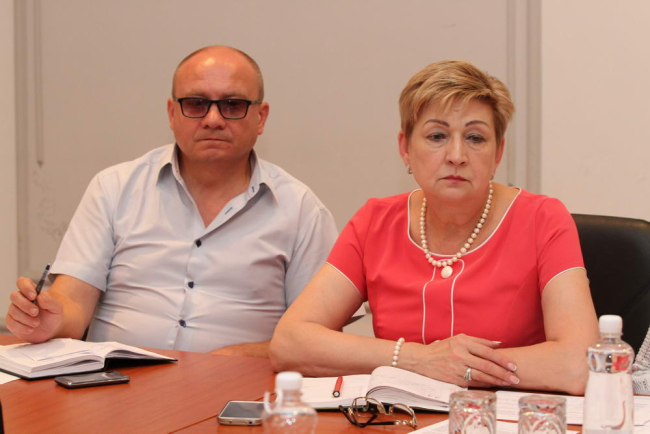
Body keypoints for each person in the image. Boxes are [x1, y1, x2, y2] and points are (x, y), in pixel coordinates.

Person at [270, 60, 599, 394]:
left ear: (498, 153)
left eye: (475, 137)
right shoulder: (375, 222)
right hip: (400, 417)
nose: (456, 155)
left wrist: (461, 368)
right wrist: (418, 360)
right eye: (437, 136)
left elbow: (578, 364)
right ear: (405, 148)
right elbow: (290, 342)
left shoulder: (543, 219)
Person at [6, 46, 337, 356]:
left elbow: (316, 336)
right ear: (172, 113)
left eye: (233, 105)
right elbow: (73, 302)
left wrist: (230, 360)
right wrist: (50, 318)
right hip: (116, 385)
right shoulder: (114, 188)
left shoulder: (300, 210)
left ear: (260, 118)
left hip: (241, 388)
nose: (213, 119)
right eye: (196, 103)